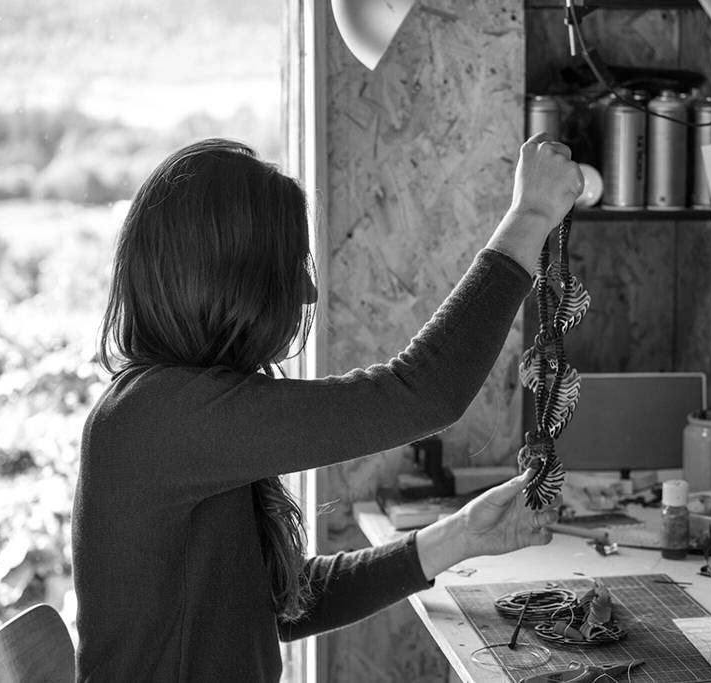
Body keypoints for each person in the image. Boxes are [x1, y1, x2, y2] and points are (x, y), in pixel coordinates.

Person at [72, 134, 583, 682]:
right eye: (291, 267)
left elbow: (280, 603)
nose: (309, 293)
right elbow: (423, 392)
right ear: (230, 281)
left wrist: (459, 537)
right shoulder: (156, 420)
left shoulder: (174, 413)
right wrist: (530, 216)